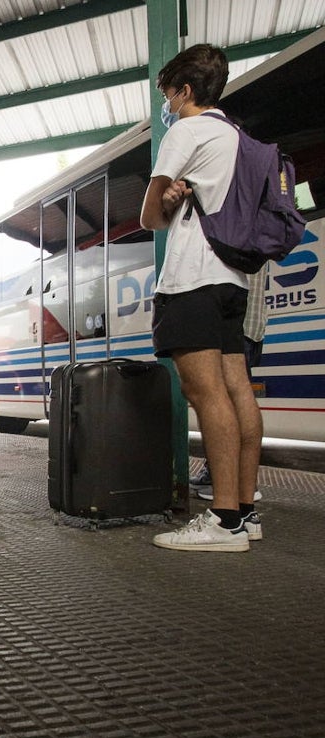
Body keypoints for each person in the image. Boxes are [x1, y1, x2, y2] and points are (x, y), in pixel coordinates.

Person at [140, 43, 262, 552]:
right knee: (237, 391)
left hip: (193, 279)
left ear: (185, 91)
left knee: (204, 393)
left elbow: (150, 217)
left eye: (169, 94)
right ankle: (247, 510)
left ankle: (224, 521)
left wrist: (164, 202)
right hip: (233, 280)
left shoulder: (186, 131)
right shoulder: (236, 135)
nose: (167, 105)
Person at [188, 269, 266, 508]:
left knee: (220, 396)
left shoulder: (227, 232)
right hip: (247, 323)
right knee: (236, 394)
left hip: (229, 319)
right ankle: (238, 489)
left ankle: (231, 494)